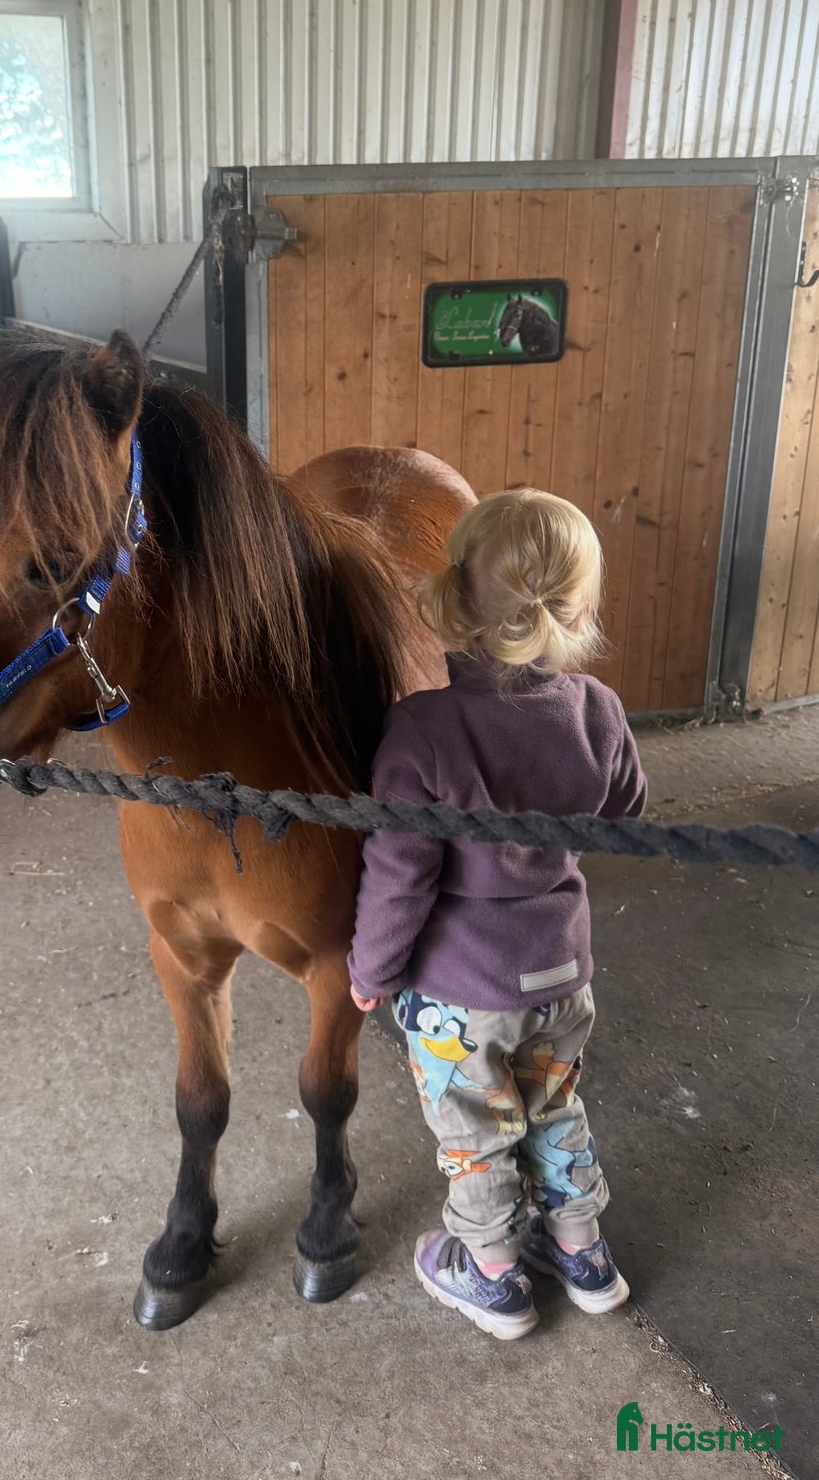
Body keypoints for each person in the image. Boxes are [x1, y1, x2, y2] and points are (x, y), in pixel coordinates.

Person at [348, 489, 647, 1340]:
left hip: (463, 995)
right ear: (578, 608)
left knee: (476, 1131)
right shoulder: (598, 708)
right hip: (565, 977)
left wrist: (371, 970)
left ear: (460, 598)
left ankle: (491, 1272)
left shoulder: (421, 729)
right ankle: (584, 1254)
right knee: (553, 1106)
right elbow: (625, 808)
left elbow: (399, 874)